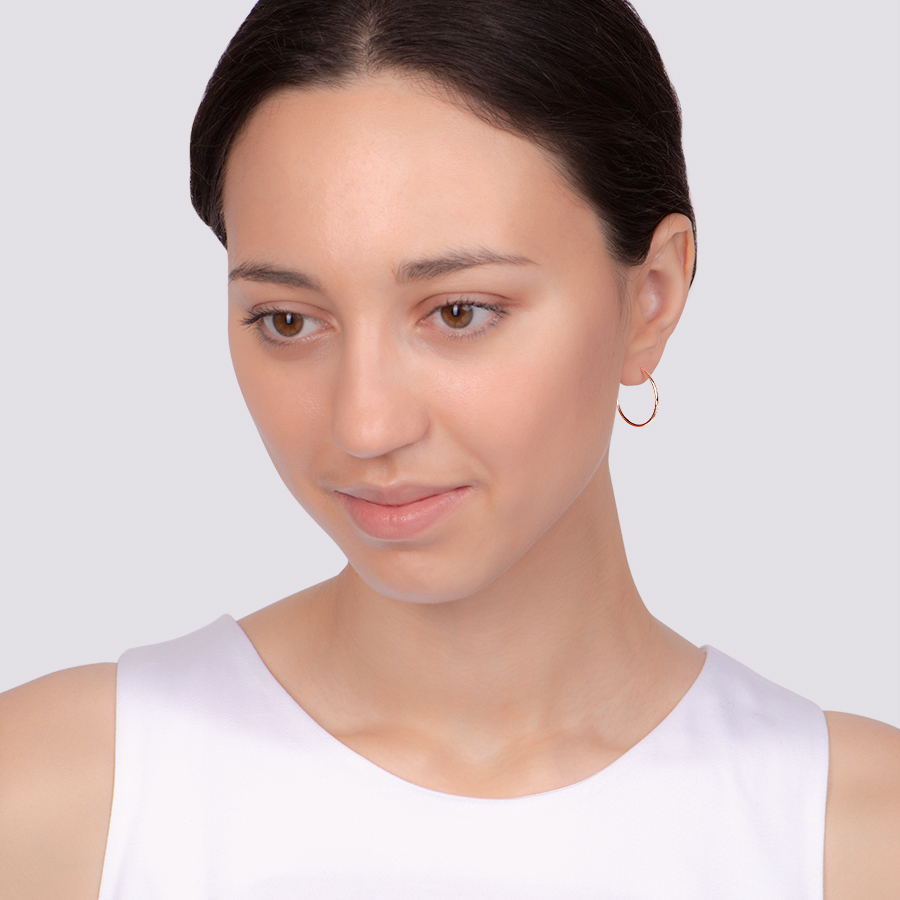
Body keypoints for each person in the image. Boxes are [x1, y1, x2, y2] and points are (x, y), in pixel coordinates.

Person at [1, 0, 897, 897]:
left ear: (652, 297)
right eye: (289, 320)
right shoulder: (55, 795)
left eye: (460, 313)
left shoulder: (856, 837)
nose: (364, 425)